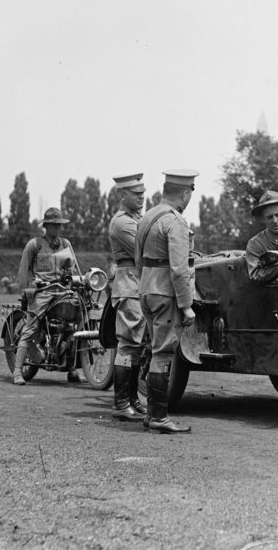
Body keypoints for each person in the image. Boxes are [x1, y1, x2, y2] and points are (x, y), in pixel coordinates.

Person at [135, 169, 198, 434]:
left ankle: (152, 414)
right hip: (166, 293)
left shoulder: (147, 217)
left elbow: (138, 261)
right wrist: (186, 304)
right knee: (163, 354)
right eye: (191, 192)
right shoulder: (176, 222)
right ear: (185, 193)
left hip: (146, 289)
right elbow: (180, 269)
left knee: (154, 350)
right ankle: (159, 417)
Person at [14, 207, 82, 385]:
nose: (57, 229)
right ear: (46, 226)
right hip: (43, 292)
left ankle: (72, 369)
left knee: (76, 323)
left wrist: (74, 281)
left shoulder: (66, 244)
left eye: (59, 225)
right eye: (54, 225)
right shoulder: (34, 244)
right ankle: (17, 371)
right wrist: (28, 289)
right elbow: (24, 271)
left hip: (62, 290)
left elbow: (73, 268)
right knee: (30, 328)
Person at [108, 172, 149, 421]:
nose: (141, 197)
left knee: (136, 346)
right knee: (127, 345)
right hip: (129, 284)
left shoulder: (137, 219)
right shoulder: (123, 223)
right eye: (136, 194)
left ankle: (132, 399)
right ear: (121, 195)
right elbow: (146, 250)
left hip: (138, 283)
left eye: (143, 193)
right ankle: (121, 403)